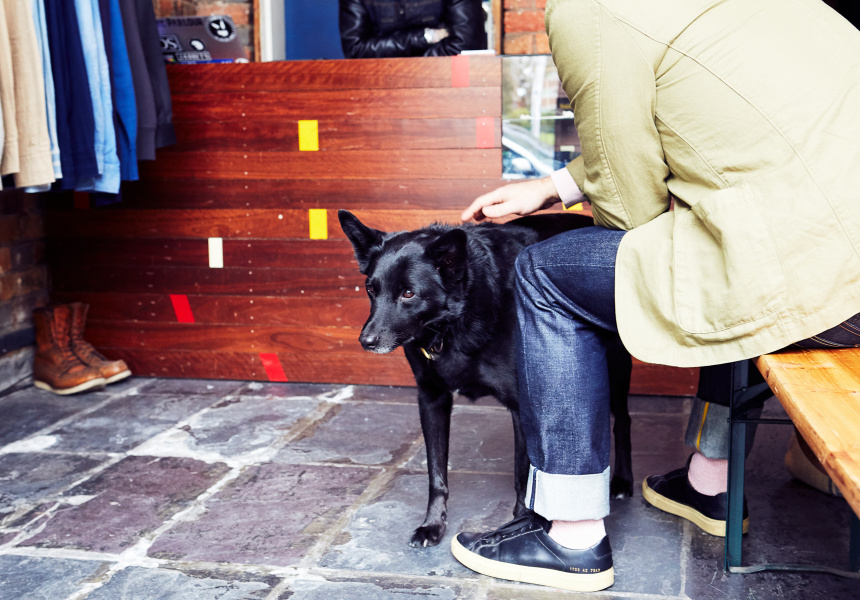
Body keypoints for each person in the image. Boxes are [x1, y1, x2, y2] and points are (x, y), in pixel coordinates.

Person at [450, 0, 860, 592]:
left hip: (824, 271)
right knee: (716, 244)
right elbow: (735, 120)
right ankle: (710, 481)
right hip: (835, 243)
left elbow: (629, 214)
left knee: (547, 273)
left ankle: (570, 535)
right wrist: (555, 185)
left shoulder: (589, 9)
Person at [339, 0, 486, 58]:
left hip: (446, 85)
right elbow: (355, 50)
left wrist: (411, 70)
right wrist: (425, 37)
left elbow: (467, 45)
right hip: (381, 89)